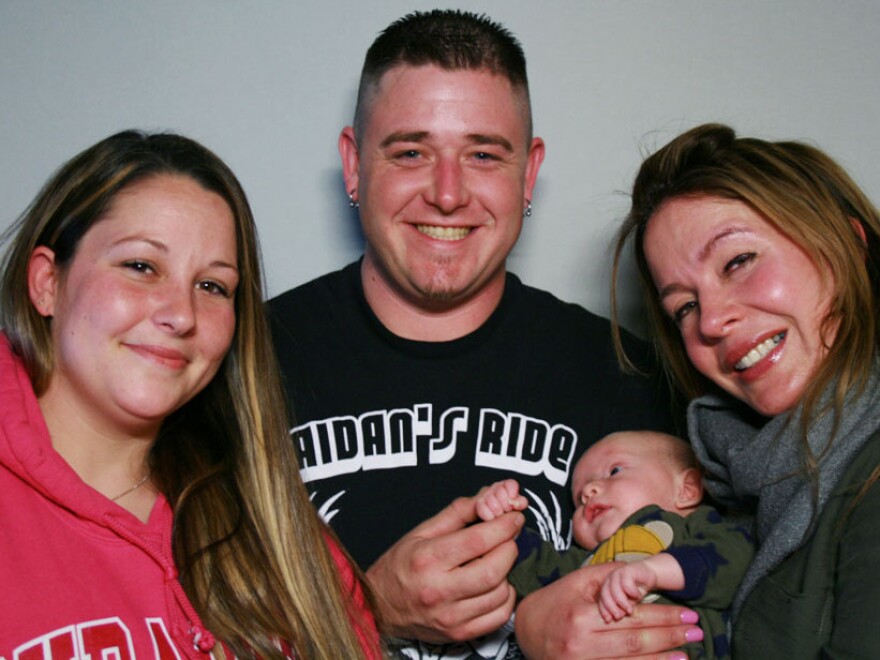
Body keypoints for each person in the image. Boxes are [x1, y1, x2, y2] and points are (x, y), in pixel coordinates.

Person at [268, 9, 695, 659]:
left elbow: (722, 599)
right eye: (411, 152)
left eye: (483, 155)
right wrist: (366, 607)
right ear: (354, 166)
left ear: (528, 173)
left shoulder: (633, 378)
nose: (447, 194)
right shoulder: (241, 362)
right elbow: (167, 619)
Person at [0, 130, 379, 659]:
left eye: (212, 287)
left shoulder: (270, 518)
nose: (180, 314)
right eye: (141, 267)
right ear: (46, 283)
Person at [611, 122, 880, 657]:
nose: (710, 321)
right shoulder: (736, 487)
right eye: (683, 307)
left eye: (738, 261)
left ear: (848, 242)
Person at [476, 431, 755, 659]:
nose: (588, 491)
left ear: (687, 489)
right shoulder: (585, 563)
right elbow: (537, 568)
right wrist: (503, 524)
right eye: (578, 499)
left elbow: (733, 558)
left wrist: (656, 572)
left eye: (614, 470)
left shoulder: (692, 528)